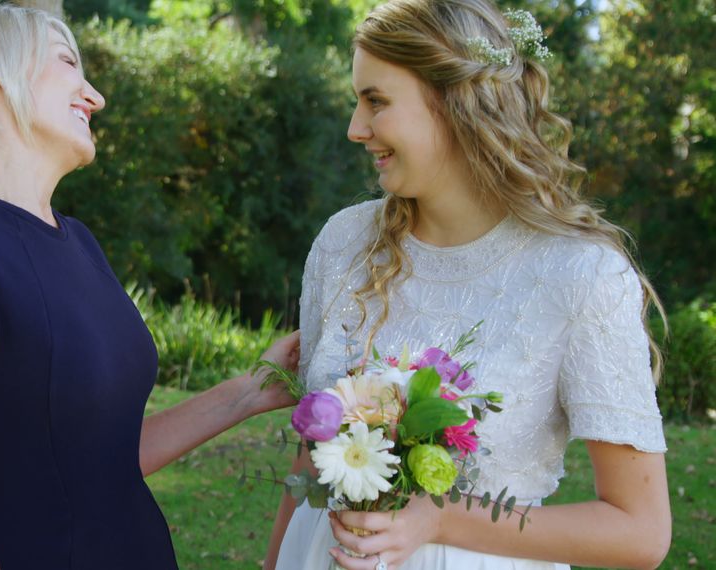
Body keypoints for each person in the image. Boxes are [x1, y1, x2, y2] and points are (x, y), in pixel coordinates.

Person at [0, 4, 299, 569]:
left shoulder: (78, 243)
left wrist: (250, 392)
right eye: (67, 63)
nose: (94, 96)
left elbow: (100, 458)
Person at [263, 1, 672, 569]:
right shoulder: (343, 244)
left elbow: (640, 533)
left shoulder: (582, 276)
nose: (357, 129)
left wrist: (440, 518)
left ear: (456, 101)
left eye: (376, 101)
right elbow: (313, 458)